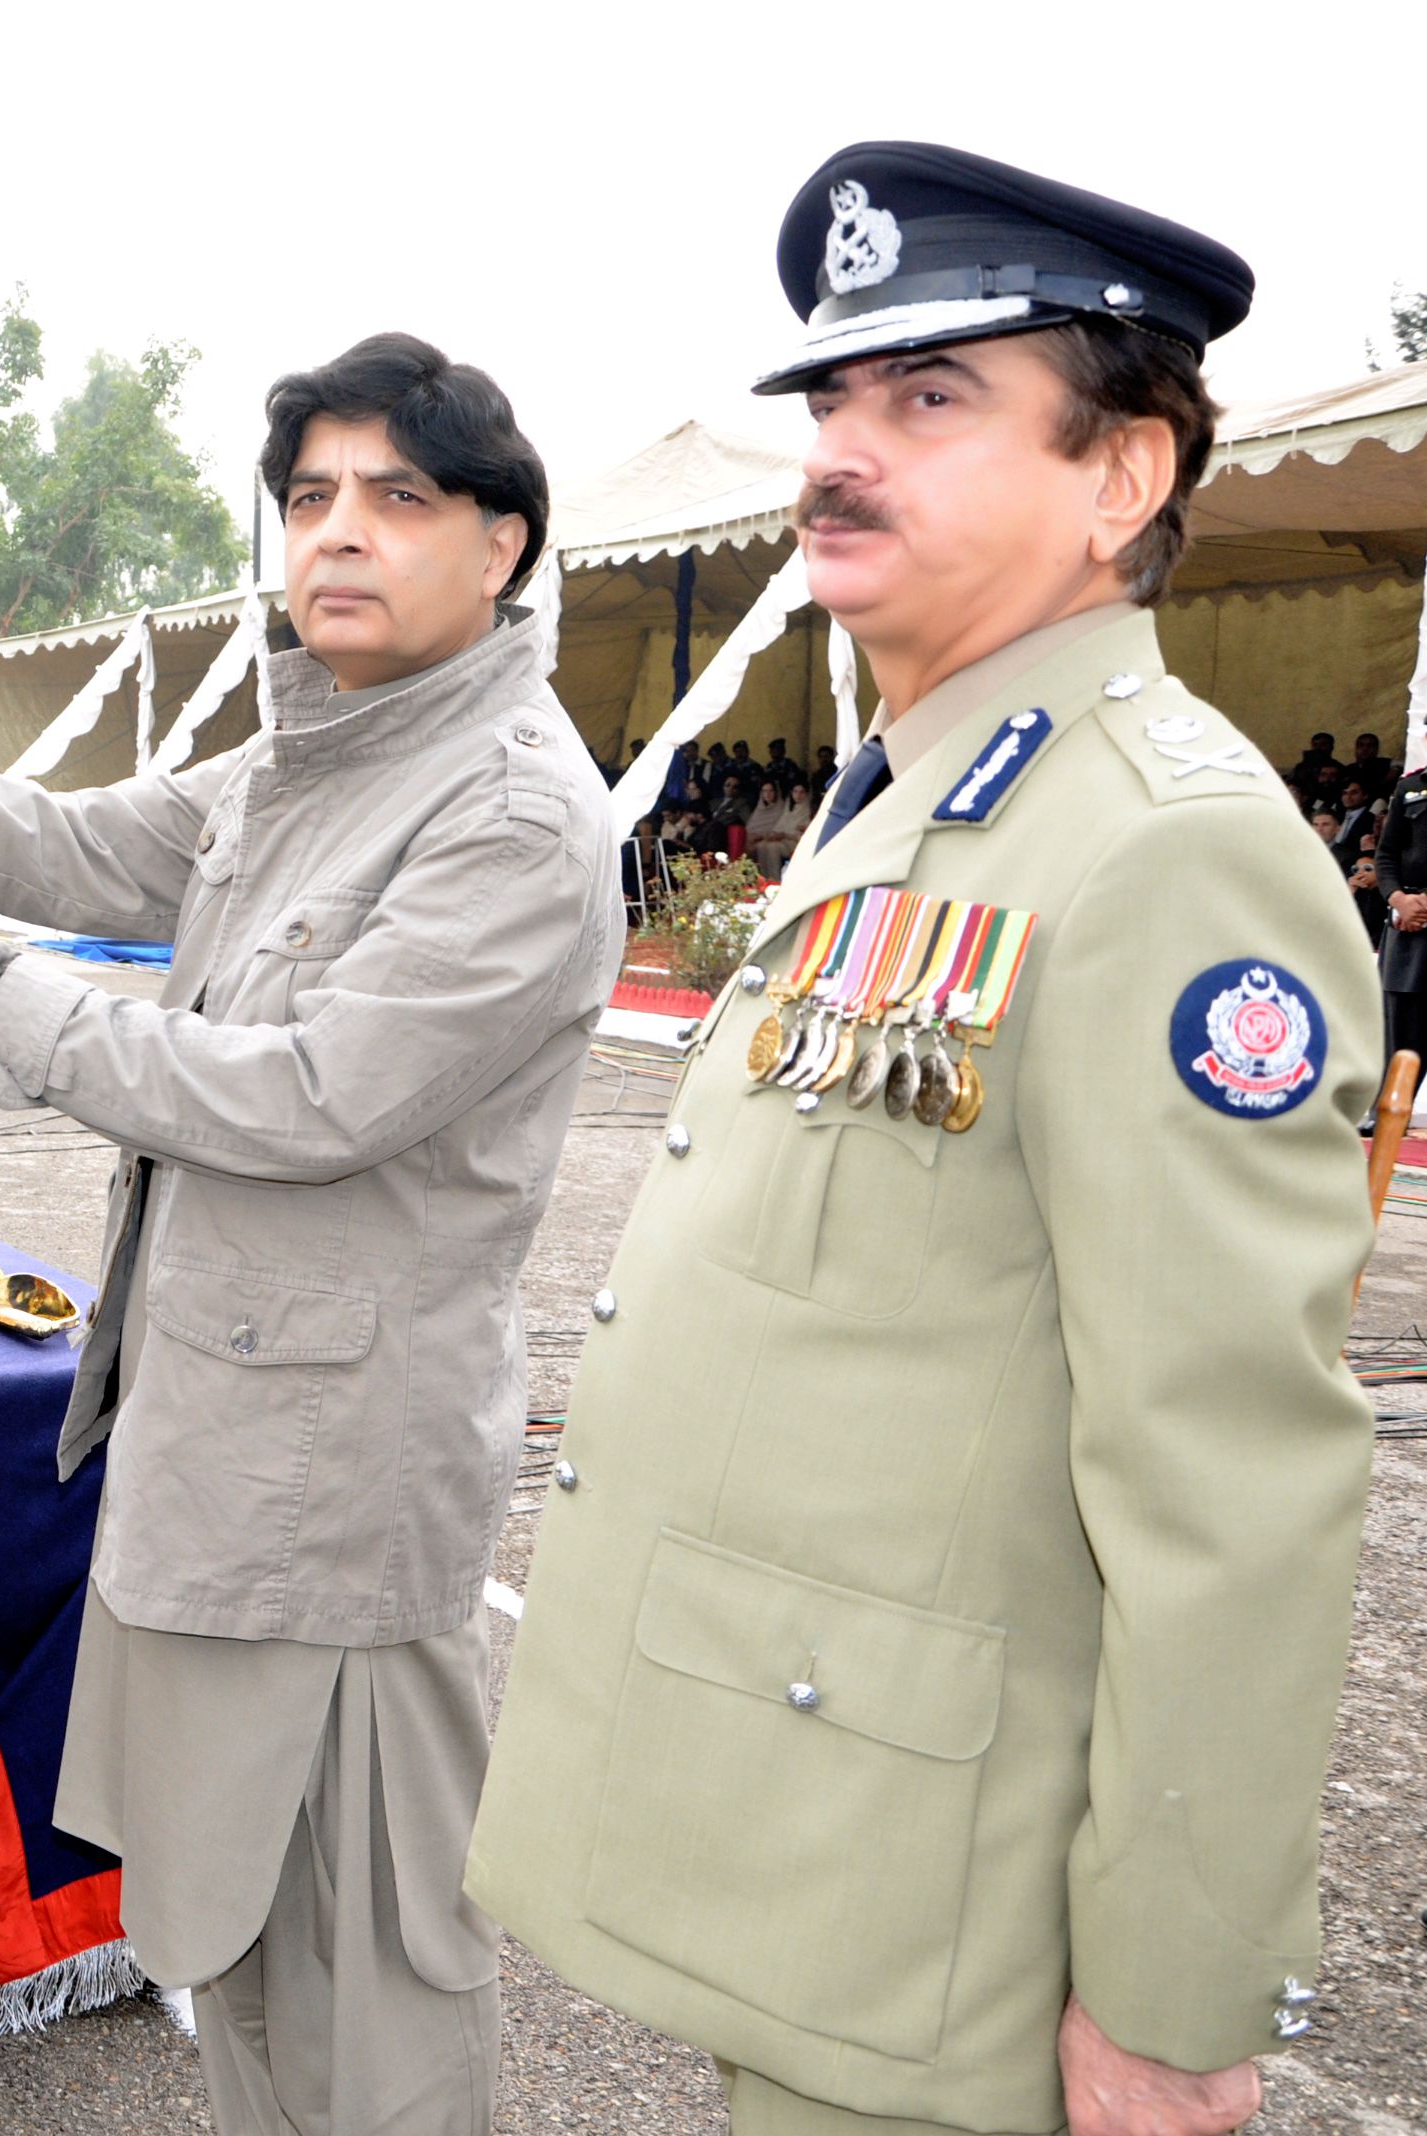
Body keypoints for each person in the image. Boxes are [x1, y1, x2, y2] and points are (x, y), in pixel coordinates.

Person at [466, 143, 1378, 2136]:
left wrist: (1169, 2000)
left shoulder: (1167, 852)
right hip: (818, 1841)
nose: (839, 454)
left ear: (1122, 474)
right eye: (834, 399)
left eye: (932, 397)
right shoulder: (922, 798)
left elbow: (1230, 1490)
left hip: (944, 1932)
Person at [0, 330, 623, 2136]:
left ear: (505, 546)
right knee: (232, 1939)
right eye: (310, 496)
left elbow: (311, 1097)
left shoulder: (508, 808)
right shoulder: (315, 753)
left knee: (370, 1978)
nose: (339, 533)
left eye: (399, 496)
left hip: (340, 1487)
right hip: (224, 1448)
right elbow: (81, 847)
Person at [1372, 754, 1427, 1075]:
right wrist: (1398, 899)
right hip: (1409, 929)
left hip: (1418, 911)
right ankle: (1393, 1104)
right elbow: (1386, 854)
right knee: (1399, 1044)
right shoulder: (1410, 788)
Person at [745, 774, 808, 876]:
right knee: (761, 846)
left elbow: (803, 834)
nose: (798, 795)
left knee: (772, 847)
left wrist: (783, 834)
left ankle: (775, 879)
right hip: (782, 839)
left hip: (795, 843)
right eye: (795, 792)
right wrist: (774, 834)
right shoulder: (789, 808)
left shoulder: (808, 810)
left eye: (802, 792)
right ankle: (764, 878)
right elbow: (780, 826)